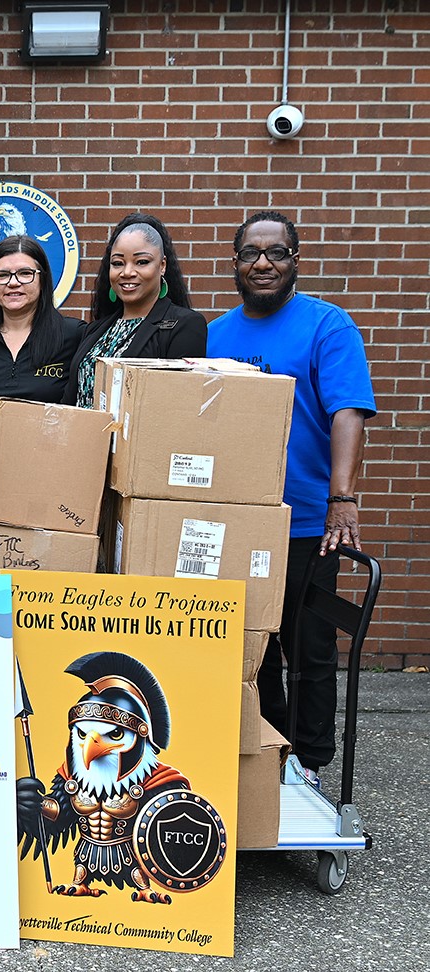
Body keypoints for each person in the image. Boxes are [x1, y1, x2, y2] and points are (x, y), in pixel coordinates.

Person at [207, 211, 376, 788]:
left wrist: (342, 500)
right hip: (239, 520)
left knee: (309, 649)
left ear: (295, 261)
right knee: (253, 646)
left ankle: (310, 763)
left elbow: (348, 412)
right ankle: (269, 755)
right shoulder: (216, 334)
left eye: (276, 253)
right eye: (251, 253)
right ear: (234, 263)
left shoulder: (328, 326)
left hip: (308, 522)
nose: (263, 263)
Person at [0, 236, 84, 516]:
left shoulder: (73, 336)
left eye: (25, 273)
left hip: (49, 488)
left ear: (42, 279)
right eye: (2, 275)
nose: (13, 282)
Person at [65, 213, 206, 408]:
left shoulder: (184, 326)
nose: (127, 272)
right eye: (118, 263)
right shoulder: (95, 330)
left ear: (162, 265)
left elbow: (179, 408)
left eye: (141, 262)